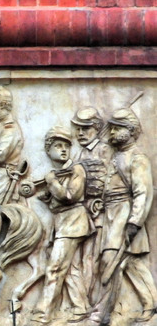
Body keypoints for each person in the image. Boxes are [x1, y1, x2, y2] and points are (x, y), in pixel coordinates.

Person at [79, 108, 157, 326]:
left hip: (124, 216)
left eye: (117, 128)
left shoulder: (137, 158)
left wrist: (134, 222)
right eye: (111, 127)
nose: (111, 132)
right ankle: (151, 304)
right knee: (131, 265)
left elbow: (142, 192)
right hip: (111, 213)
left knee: (109, 262)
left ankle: (99, 315)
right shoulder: (115, 156)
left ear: (131, 131)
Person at [24, 126, 92, 326]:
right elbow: (57, 199)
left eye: (66, 146)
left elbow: (69, 196)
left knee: (54, 267)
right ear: (48, 150)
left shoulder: (77, 169)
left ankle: (42, 315)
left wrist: (52, 181)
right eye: (58, 146)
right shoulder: (59, 173)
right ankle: (81, 308)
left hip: (74, 222)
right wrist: (48, 194)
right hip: (61, 223)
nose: (63, 150)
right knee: (70, 269)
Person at [70, 107, 111, 305]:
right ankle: (83, 301)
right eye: (78, 129)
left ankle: (93, 303)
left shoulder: (105, 150)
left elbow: (113, 180)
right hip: (81, 213)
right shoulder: (80, 153)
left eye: (85, 129)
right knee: (80, 259)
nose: (80, 134)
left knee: (93, 258)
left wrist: (101, 201)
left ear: (96, 128)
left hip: (100, 212)